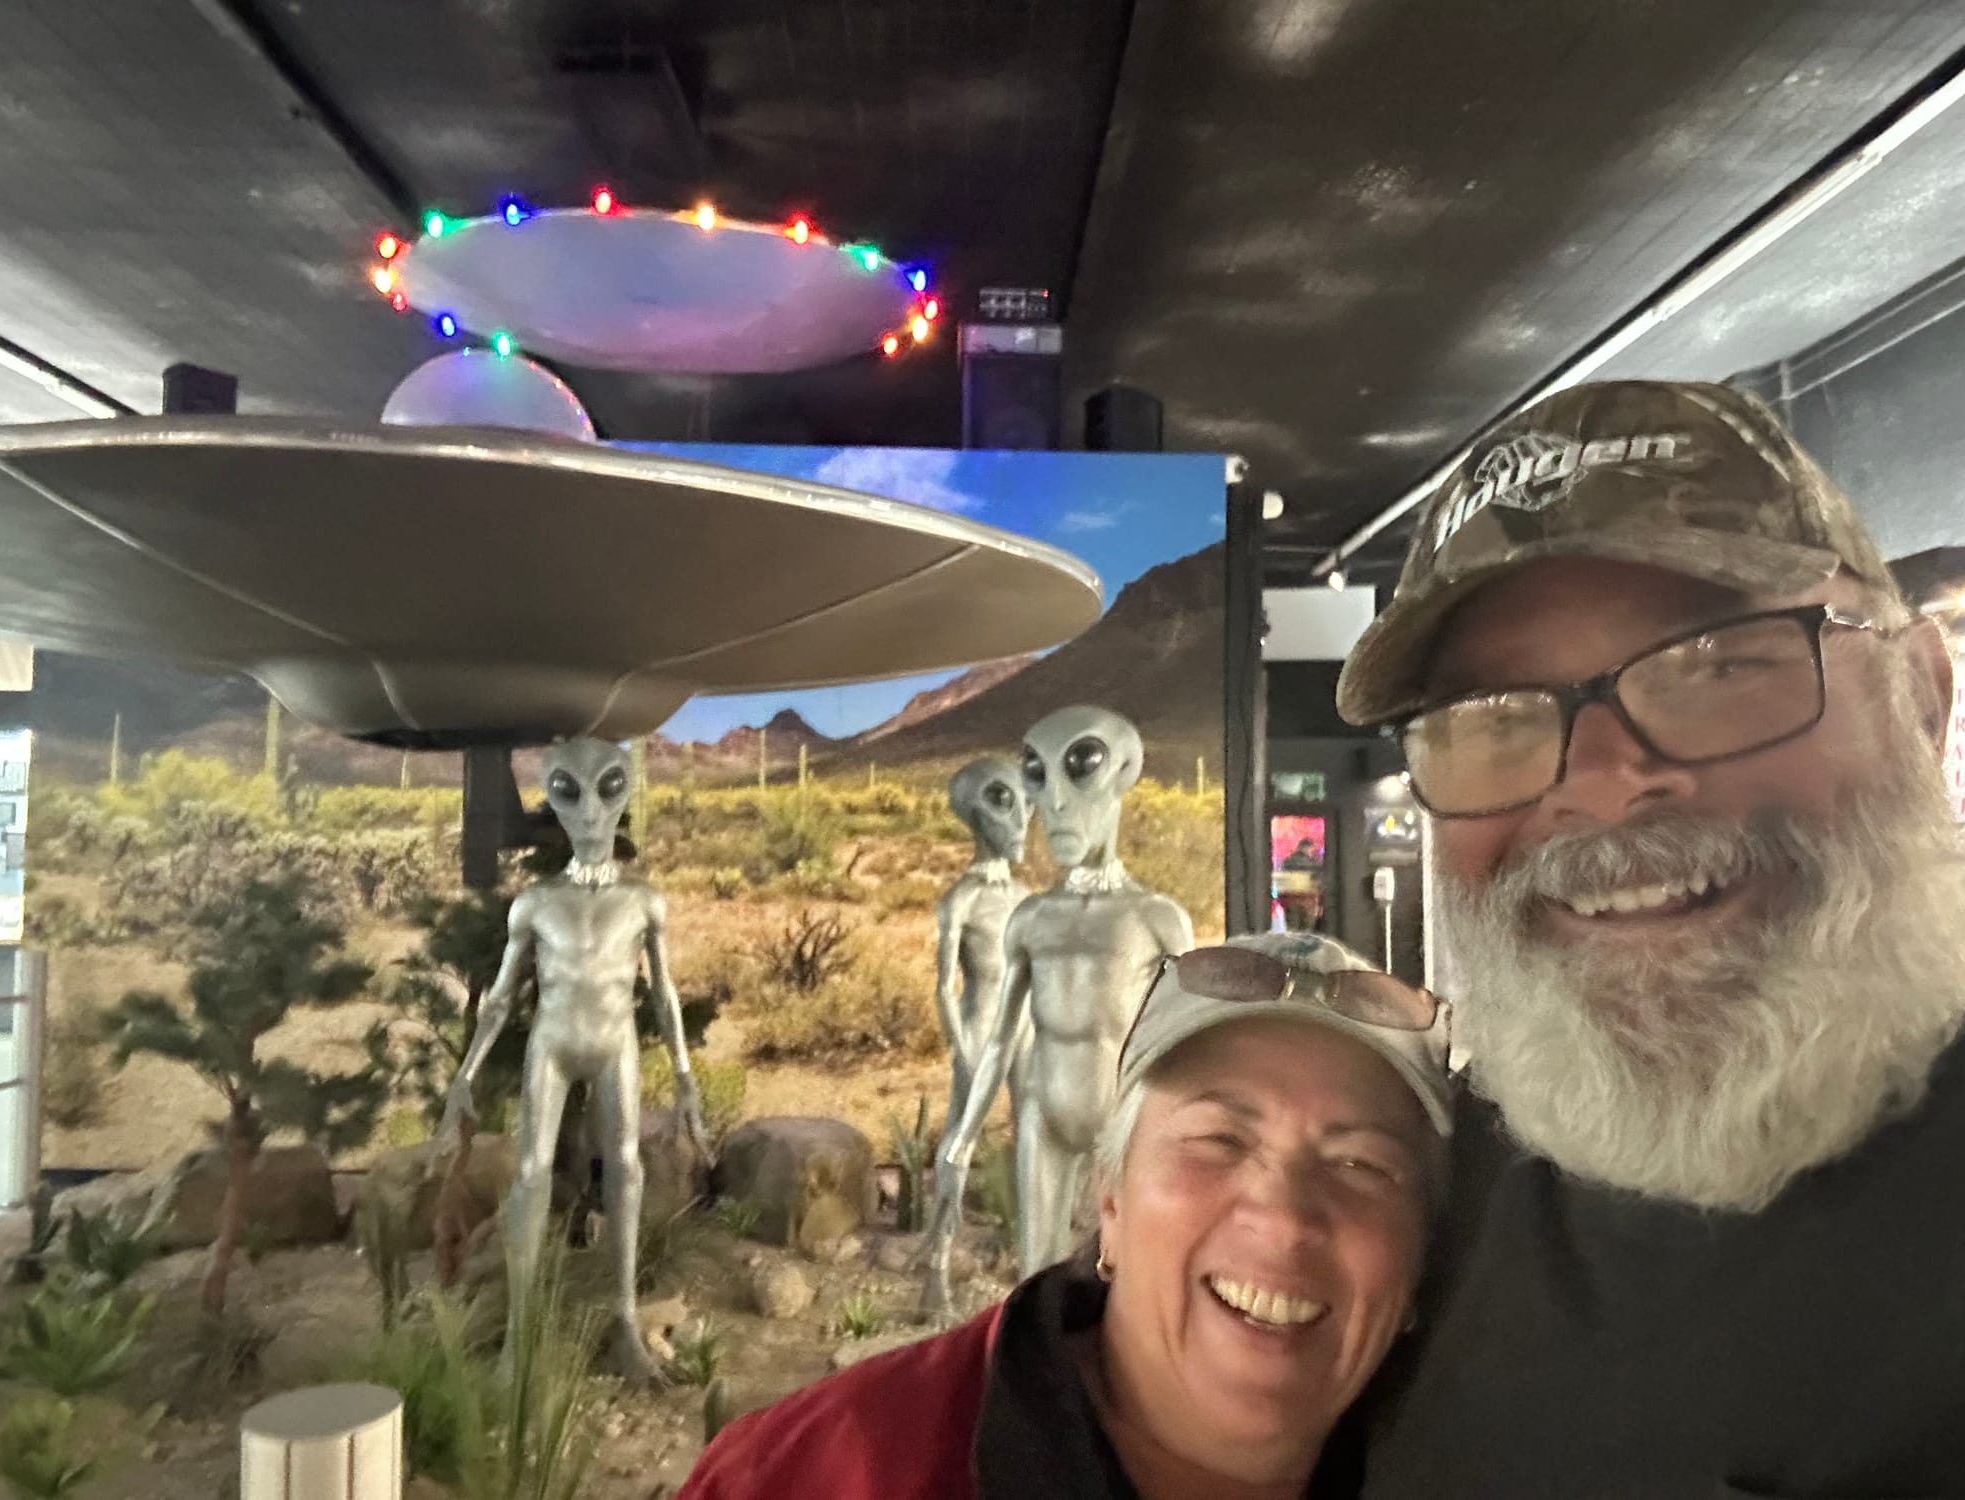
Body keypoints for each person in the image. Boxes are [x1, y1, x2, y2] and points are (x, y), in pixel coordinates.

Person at [1335, 379, 1965, 1496]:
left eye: (1718, 664)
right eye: (1492, 718)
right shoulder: (1421, 1202)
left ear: (1917, 694)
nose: (1602, 783)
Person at [674, 932, 1451, 1500]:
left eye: (1361, 1165)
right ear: (1110, 1197)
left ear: (1423, 1254)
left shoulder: (1488, 1468)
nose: (1283, 1219)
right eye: (1219, 1139)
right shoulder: (815, 1476)